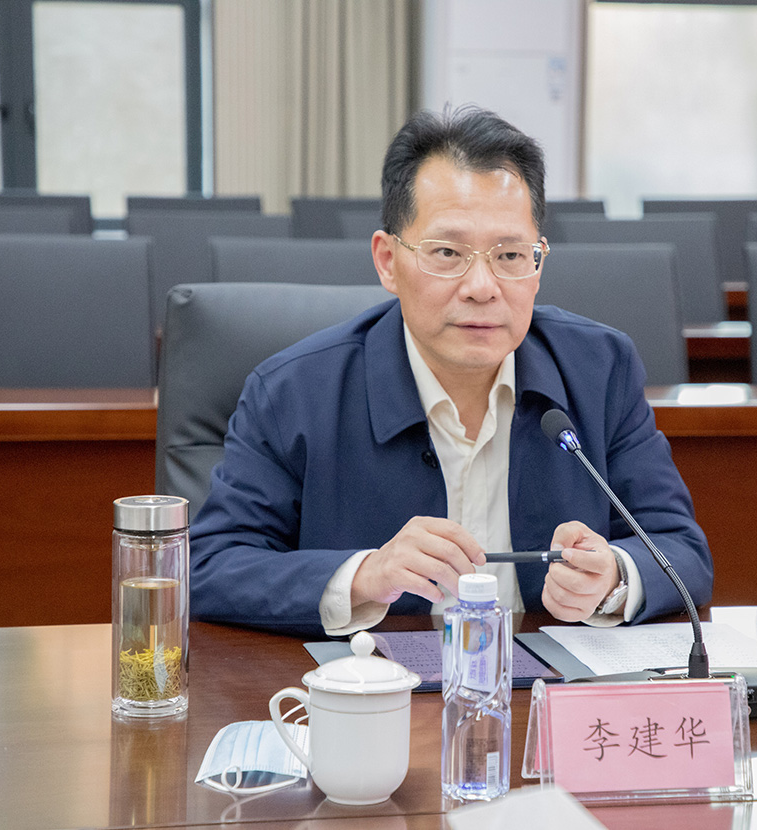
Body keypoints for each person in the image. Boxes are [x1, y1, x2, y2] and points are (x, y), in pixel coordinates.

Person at [190, 106, 712, 637]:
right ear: (388, 261)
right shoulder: (293, 392)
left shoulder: (600, 370)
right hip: (373, 682)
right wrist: (366, 575)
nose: (482, 287)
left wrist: (614, 577)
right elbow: (211, 567)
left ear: (538, 264)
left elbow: (681, 549)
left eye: (510, 256)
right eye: (447, 252)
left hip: (549, 683)